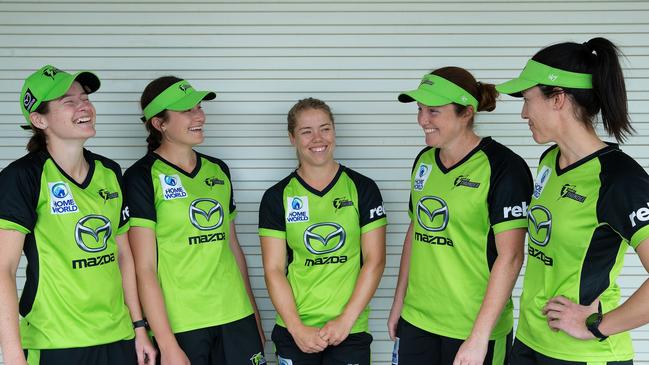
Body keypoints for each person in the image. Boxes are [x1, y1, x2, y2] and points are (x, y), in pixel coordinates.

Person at [496, 37, 649, 364]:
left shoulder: (619, 179)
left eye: (526, 99)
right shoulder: (549, 161)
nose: (523, 113)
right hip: (528, 343)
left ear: (558, 99)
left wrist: (598, 325)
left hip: (582, 355)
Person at [0, 65, 156, 365]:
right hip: (56, 344)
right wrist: (14, 356)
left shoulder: (109, 172)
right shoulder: (22, 177)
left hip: (118, 338)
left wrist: (138, 327)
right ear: (38, 119)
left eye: (84, 97)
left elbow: (123, 255)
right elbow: (4, 269)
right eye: (68, 101)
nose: (83, 105)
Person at [387, 67, 533, 365]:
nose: (422, 120)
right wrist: (399, 302)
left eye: (434, 111)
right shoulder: (424, 161)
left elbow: (512, 257)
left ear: (466, 113)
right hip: (418, 321)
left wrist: (479, 337)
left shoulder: (504, 166)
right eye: (420, 109)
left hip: (472, 328)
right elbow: (416, 232)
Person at [123, 76, 265, 365]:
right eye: (187, 110)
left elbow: (233, 249)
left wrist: (254, 316)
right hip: (183, 324)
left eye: (199, 107)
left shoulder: (218, 169)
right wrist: (167, 344)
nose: (199, 115)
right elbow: (144, 269)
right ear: (159, 123)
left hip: (236, 316)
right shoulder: (141, 177)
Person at [258, 97, 387, 365]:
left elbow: (374, 261)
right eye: (307, 131)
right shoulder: (276, 196)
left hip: (349, 330)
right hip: (295, 331)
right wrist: (296, 328)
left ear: (334, 131)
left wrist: (345, 321)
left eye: (325, 128)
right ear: (292, 138)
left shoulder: (363, 188)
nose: (318, 138)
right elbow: (273, 269)